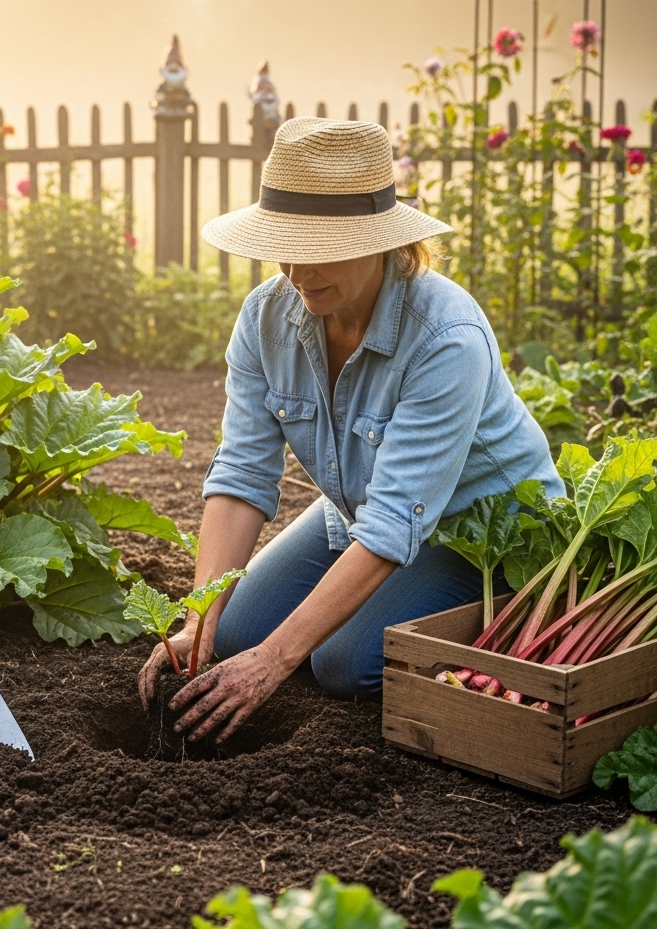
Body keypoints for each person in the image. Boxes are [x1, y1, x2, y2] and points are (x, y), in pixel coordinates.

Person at [137, 117, 562, 744]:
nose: (298, 272)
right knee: (229, 634)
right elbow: (241, 473)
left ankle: (479, 619)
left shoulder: (446, 339)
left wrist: (275, 661)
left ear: (381, 241)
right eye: (285, 245)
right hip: (357, 512)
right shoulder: (265, 319)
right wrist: (200, 619)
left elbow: (396, 520)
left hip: (480, 534)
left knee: (341, 664)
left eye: (323, 250)